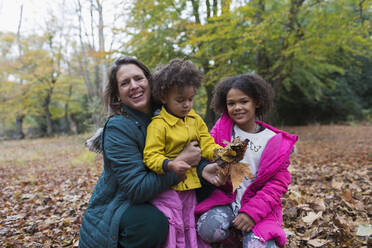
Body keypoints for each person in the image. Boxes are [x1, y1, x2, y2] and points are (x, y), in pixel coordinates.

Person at [78, 56, 221, 248]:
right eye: (125, 83)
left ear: (149, 81)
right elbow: (137, 189)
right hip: (121, 204)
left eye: (138, 78)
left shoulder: (172, 110)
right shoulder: (118, 128)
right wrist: (179, 165)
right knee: (152, 224)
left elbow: (192, 146)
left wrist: (202, 168)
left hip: (165, 189)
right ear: (118, 95)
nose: (134, 86)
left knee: (211, 188)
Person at [195, 74, 298, 248]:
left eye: (244, 101)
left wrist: (252, 213)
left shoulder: (274, 142)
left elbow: (277, 184)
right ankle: (232, 238)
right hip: (226, 201)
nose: (237, 107)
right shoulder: (222, 130)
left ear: (257, 102)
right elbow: (206, 156)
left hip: (260, 209)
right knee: (207, 229)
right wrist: (214, 170)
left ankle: (253, 236)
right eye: (231, 103)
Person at [142, 58, 222, 247]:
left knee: (189, 223)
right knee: (174, 225)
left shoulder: (195, 119)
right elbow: (151, 156)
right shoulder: (158, 125)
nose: (186, 104)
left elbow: (207, 143)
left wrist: (218, 153)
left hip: (190, 186)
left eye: (190, 99)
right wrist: (169, 164)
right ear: (164, 98)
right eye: (180, 100)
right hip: (167, 189)